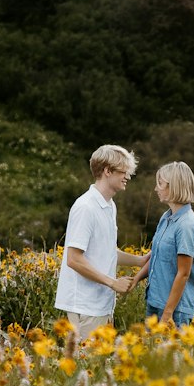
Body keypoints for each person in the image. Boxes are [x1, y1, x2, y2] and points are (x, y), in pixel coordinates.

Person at [55, 144, 147, 342]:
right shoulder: (86, 207)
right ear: (107, 171)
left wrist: (140, 261)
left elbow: (105, 251)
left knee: (100, 367)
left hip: (101, 305)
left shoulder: (109, 205)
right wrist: (113, 283)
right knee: (86, 367)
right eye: (124, 172)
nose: (128, 177)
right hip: (85, 306)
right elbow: (73, 259)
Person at [128, 161, 194, 326]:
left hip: (174, 311)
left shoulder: (186, 225)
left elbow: (183, 273)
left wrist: (167, 315)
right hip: (155, 301)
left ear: (174, 186)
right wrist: (136, 279)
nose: (156, 189)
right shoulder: (166, 217)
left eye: (160, 184)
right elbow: (157, 257)